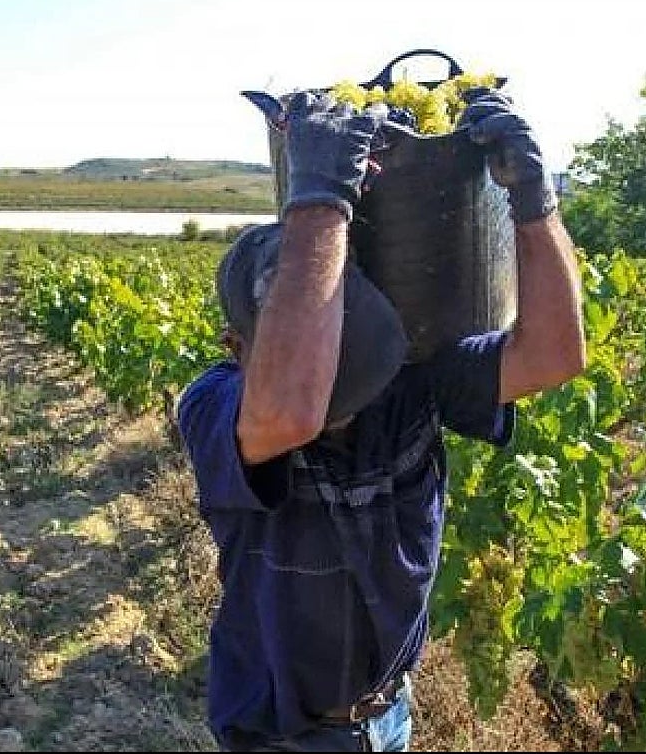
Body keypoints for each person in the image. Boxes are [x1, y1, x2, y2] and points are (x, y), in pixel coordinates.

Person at [176, 89, 586, 751]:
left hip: (388, 717)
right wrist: (319, 195)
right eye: (304, 336)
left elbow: (554, 356)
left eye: (341, 327)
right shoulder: (215, 406)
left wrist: (534, 204)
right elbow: (292, 410)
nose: (332, 356)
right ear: (237, 348)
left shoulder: (409, 378)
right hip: (284, 735)